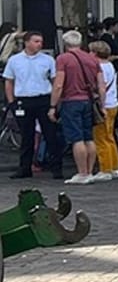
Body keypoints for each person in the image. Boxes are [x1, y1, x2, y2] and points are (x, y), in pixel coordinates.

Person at [51, 29, 101, 184]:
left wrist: (53, 105)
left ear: (65, 44)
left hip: (71, 101)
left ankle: (82, 172)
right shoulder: (92, 59)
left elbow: (59, 84)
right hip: (88, 100)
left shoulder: (63, 59)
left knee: (76, 138)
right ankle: (90, 170)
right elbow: (101, 84)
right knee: (89, 137)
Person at [4, 32, 56, 179]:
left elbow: (54, 79)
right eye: (36, 41)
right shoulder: (14, 60)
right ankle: (25, 168)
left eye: (41, 41)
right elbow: (9, 80)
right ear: (27, 42)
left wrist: (55, 101)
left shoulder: (48, 60)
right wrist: (11, 101)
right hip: (23, 100)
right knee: (26, 135)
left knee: (50, 133)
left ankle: (56, 167)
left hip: (43, 98)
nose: (39, 44)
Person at [90, 40, 118, 181]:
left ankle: (105, 168)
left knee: (100, 138)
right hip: (113, 103)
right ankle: (114, 166)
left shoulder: (98, 67)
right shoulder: (110, 65)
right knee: (109, 136)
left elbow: (100, 87)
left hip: (104, 105)